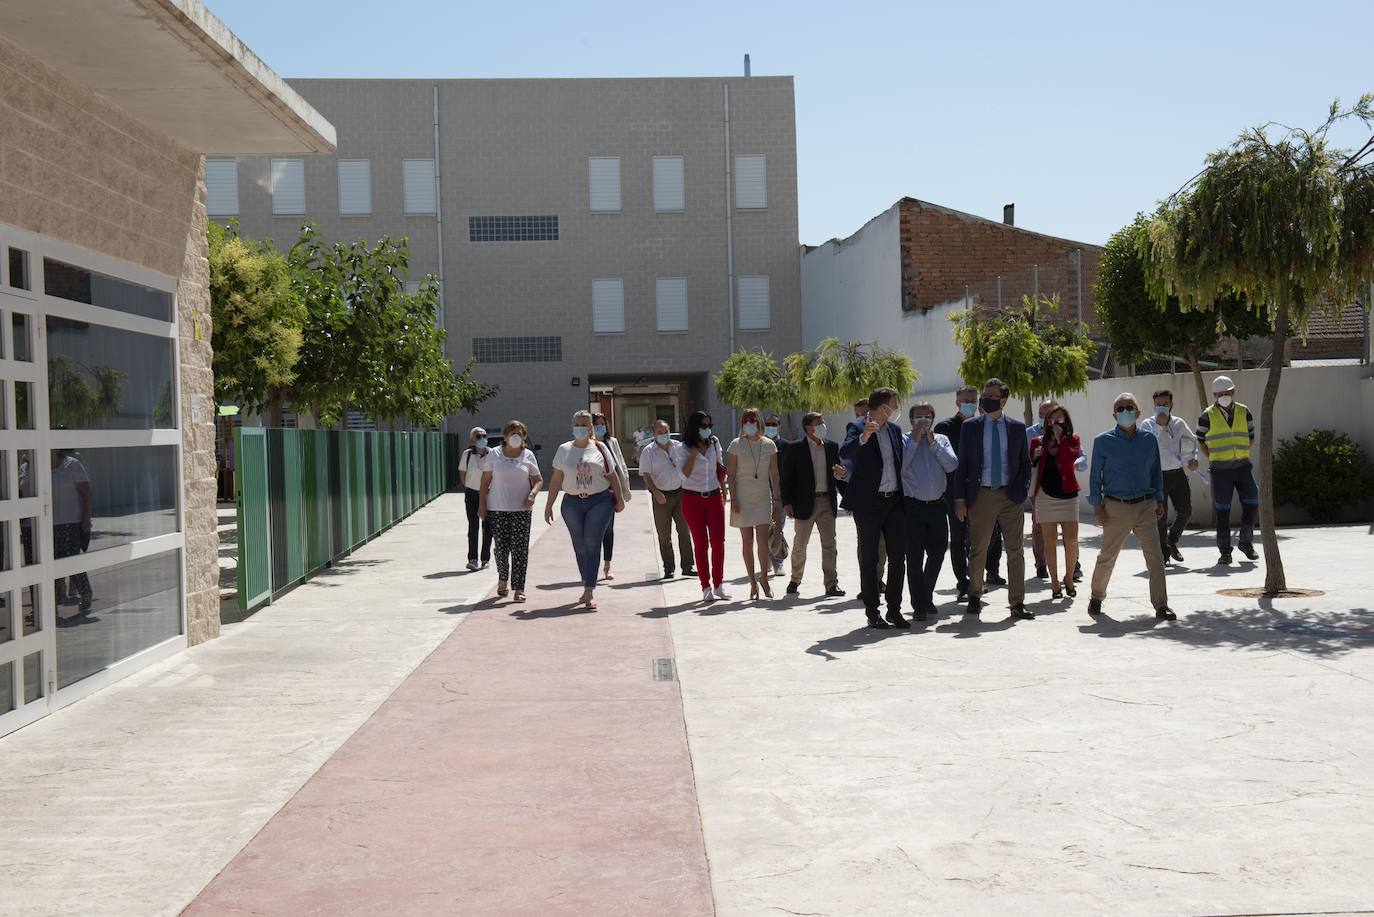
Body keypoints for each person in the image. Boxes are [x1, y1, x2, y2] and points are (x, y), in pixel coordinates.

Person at [1086, 393, 1176, 620]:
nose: (1125, 411)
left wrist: (1159, 499)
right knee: (1108, 556)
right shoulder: (1103, 441)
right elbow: (1095, 476)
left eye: (1129, 407)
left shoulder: (1149, 440)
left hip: (1145, 505)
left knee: (1155, 557)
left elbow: (1156, 472)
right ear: (1114, 414)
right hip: (1116, 506)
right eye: (1120, 408)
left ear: (1138, 412)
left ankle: (1161, 605)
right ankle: (1096, 597)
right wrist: (1097, 505)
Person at [953, 378, 1034, 620]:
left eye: (992, 396)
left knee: (1015, 550)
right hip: (982, 494)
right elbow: (962, 464)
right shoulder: (971, 427)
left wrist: (1022, 490)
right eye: (985, 395)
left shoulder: (1017, 428)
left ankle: (1017, 602)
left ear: (1003, 400)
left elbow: (1025, 463)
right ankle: (975, 595)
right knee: (978, 548)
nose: (986, 399)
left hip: (1011, 495)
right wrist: (959, 499)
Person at [840, 387, 909, 629]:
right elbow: (845, 452)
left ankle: (894, 610)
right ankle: (872, 611)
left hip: (894, 501)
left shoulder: (894, 430)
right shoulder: (857, 427)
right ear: (883, 407)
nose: (897, 407)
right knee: (869, 558)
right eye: (894, 403)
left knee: (898, 557)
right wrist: (863, 438)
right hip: (869, 504)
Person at [544, 410, 626, 610]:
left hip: (599, 501)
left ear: (590, 427)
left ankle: (589, 589)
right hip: (571, 503)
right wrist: (549, 505)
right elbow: (556, 479)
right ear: (572, 426)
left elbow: (612, 475)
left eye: (584, 424)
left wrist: (620, 498)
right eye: (577, 424)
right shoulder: (564, 449)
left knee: (592, 543)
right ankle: (586, 581)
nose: (580, 428)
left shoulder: (600, 448)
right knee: (579, 546)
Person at [936, 385, 1005, 602]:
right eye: (966, 401)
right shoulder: (945, 427)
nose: (970, 405)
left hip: (980, 491)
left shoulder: (983, 425)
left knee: (988, 535)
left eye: (973, 401)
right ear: (957, 402)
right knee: (958, 538)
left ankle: (976, 574)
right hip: (953, 491)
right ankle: (964, 583)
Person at [900, 402, 958, 621]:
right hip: (912, 507)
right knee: (914, 557)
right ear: (911, 419)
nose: (923, 420)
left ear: (933, 418)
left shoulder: (941, 440)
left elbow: (952, 465)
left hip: (937, 507)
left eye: (927, 416)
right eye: (918, 416)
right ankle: (919, 605)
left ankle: (925, 595)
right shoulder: (904, 440)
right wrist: (915, 440)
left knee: (937, 553)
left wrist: (933, 444)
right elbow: (900, 465)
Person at [780, 412, 847, 597]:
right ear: (808, 427)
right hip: (804, 504)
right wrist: (787, 502)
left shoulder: (831, 447)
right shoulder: (795, 448)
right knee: (800, 544)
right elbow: (786, 478)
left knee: (830, 545)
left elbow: (838, 474)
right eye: (818, 423)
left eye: (822, 422)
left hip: (827, 501)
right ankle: (795, 579)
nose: (822, 425)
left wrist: (842, 477)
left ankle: (831, 584)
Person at [1197, 375, 1260, 565]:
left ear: (1233, 392)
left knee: (1252, 502)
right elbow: (1201, 440)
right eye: (1220, 394)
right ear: (1214, 395)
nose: (1224, 396)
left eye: (1227, 392)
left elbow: (1250, 436)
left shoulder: (1244, 411)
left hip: (1243, 467)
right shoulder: (1207, 415)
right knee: (1222, 511)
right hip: (1220, 471)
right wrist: (1214, 457)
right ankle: (1225, 551)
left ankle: (1245, 543)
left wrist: (1239, 453)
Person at [479, 421, 543, 603]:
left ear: (523, 437)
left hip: (521, 509)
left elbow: (538, 480)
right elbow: (484, 483)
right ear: (505, 436)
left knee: (520, 549)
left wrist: (532, 494)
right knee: (501, 548)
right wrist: (482, 506)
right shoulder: (494, 454)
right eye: (512, 433)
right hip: (497, 508)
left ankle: (519, 588)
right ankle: (502, 577)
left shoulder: (528, 455)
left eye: (519, 433)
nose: (515, 436)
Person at [1029, 405, 1083, 600]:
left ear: (1066, 420)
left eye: (1059, 418)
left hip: (1068, 496)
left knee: (1071, 540)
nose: (1055, 422)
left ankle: (1069, 578)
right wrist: (1035, 457)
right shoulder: (1037, 442)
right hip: (1045, 496)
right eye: (1051, 419)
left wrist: (1061, 440)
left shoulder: (1073, 439)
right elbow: (1032, 465)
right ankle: (1054, 583)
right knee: (1049, 541)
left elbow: (1070, 458)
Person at [727, 409, 782, 600]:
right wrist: (733, 499)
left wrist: (776, 499)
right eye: (745, 420)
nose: (749, 424)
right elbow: (731, 474)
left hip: (762, 497)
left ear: (758, 422)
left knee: (762, 541)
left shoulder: (769, 444)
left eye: (752, 420)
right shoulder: (736, 444)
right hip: (742, 497)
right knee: (747, 541)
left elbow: (774, 473)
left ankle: (764, 579)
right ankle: (752, 582)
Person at [1139, 389, 1198, 563]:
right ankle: (1163, 555)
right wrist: (1159, 425)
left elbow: (1192, 441)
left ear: (1171, 404)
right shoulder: (1147, 424)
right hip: (1157, 476)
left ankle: (1172, 540)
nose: (1162, 407)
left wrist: (1193, 459)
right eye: (1158, 404)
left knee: (1185, 511)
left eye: (1165, 404)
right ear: (1153, 405)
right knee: (1160, 517)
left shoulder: (1179, 423)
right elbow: (1145, 445)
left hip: (1178, 473)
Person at [679, 410, 730, 602]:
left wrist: (724, 491)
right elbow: (683, 474)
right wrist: (694, 453)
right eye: (703, 426)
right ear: (694, 427)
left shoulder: (714, 442)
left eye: (709, 425)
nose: (707, 429)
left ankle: (719, 584)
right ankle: (705, 586)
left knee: (718, 542)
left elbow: (720, 467)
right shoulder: (682, 448)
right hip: (692, 499)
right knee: (701, 544)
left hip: (714, 497)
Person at [638, 419, 695, 579]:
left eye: (666, 432)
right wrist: (655, 492)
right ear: (654, 434)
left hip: (680, 493)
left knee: (684, 531)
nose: (664, 435)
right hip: (661, 496)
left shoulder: (679, 447)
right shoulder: (648, 451)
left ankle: (688, 566)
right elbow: (646, 475)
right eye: (660, 433)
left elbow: (689, 466)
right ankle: (669, 568)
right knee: (664, 535)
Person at [51, 447, 94, 619]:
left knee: (71, 559)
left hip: (69, 520)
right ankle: (52, 604)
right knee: (50, 563)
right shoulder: (35, 465)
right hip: (45, 524)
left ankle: (85, 592)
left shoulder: (72, 464)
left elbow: (86, 494)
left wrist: (85, 520)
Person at [591, 412, 632, 581]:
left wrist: (623, 487)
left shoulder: (612, 442)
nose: (600, 427)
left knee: (608, 530)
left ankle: (607, 566)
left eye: (602, 423)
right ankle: (591, 567)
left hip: (609, 493)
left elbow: (620, 463)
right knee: (593, 533)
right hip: (592, 492)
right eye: (596, 424)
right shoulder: (587, 444)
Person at [458, 426, 493, 571]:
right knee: (473, 526)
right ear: (472, 439)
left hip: (489, 493)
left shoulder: (492, 454)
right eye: (478, 436)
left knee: (488, 527)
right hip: (472, 494)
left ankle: (485, 559)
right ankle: (473, 559)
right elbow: (462, 473)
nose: (482, 439)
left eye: (484, 436)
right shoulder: (467, 454)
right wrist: (467, 487)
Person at [763, 412, 789, 577]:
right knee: (763, 529)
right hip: (761, 494)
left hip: (780, 494)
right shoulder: (759, 445)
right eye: (768, 424)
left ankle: (778, 561)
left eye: (774, 424)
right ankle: (766, 560)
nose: (771, 427)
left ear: (779, 427)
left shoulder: (786, 446)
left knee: (778, 528)